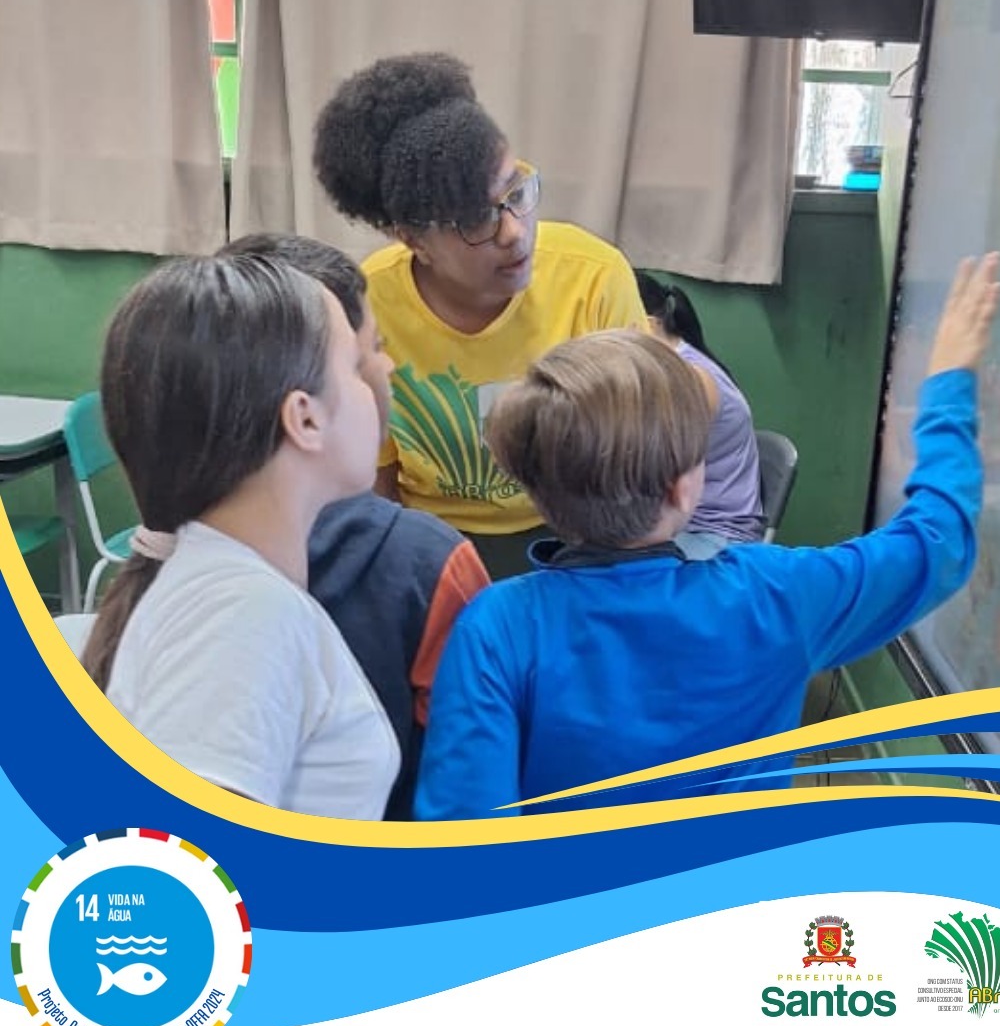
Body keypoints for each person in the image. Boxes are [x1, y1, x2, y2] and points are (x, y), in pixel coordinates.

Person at [414, 255, 1000, 820]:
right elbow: (937, 539)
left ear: (537, 493)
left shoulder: (494, 629)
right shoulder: (774, 595)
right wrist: (947, 384)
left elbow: (464, 835)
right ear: (682, 489)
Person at [81, 254, 400, 820]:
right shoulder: (245, 612)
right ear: (304, 418)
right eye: (355, 364)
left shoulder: (230, 589)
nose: (385, 368)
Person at [313, 52, 647, 579]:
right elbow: (375, 480)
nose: (513, 231)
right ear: (414, 240)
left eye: (516, 192)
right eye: (475, 219)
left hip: (574, 541)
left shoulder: (594, 278)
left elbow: (635, 466)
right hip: (431, 543)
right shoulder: (369, 303)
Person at [220, 232, 491, 820]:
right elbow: (470, 781)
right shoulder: (432, 563)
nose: (386, 366)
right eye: (369, 350)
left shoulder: (175, 549)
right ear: (306, 409)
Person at [636, 271, 766, 548]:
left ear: (648, 325)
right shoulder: (664, 368)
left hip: (710, 532)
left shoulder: (690, 377)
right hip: (676, 523)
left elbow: (646, 472)